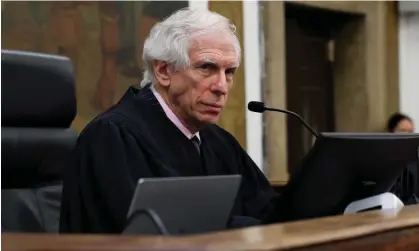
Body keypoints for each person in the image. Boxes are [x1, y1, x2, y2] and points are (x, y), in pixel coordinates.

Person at [59, 8, 280, 233]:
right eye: (206, 67)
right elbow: (143, 235)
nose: (221, 87)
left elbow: (270, 212)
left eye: (229, 72)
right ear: (164, 71)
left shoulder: (218, 141)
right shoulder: (111, 137)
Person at [387, 113, 418, 205]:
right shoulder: (385, 158)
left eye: (411, 131)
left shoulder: (415, 158)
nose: (408, 135)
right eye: (403, 130)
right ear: (391, 131)